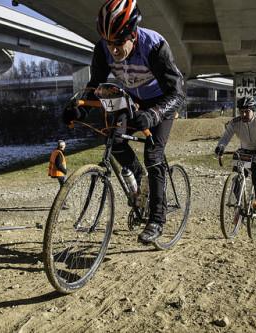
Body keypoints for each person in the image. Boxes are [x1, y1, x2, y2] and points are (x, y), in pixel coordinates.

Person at [62, 0, 184, 243]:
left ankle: (157, 220)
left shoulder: (154, 46)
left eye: (119, 43)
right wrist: (79, 109)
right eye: (109, 43)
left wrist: (154, 115)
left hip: (163, 99)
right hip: (132, 97)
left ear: (133, 34)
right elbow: (93, 85)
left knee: (153, 155)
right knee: (113, 140)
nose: (114, 50)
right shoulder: (103, 48)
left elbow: (177, 94)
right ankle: (140, 182)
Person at [215, 96, 256, 210]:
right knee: (236, 176)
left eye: (247, 111)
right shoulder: (235, 122)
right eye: (241, 111)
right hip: (246, 150)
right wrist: (220, 147)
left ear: (253, 111)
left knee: (255, 163)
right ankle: (242, 205)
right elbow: (225, 138)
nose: (244, 115)